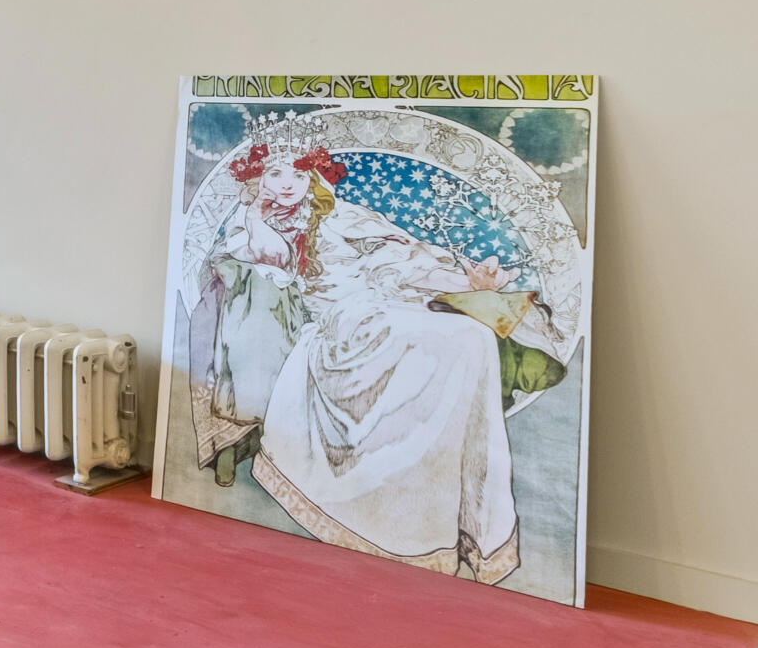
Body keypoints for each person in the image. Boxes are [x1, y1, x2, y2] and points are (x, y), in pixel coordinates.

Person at [200, 142, 525, 584]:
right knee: (440, 337)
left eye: (298, 176)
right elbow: (272, 258)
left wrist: (462, 279)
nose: (289, 185)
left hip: (384, 299)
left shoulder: (341, 215)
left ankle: (460, 504)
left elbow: (397, 259)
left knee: (472, 337)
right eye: (277, 175)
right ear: (258, 182)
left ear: (312, 179)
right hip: (342, 318)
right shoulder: (252, 225)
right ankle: (407, 508)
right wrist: (258, 213)